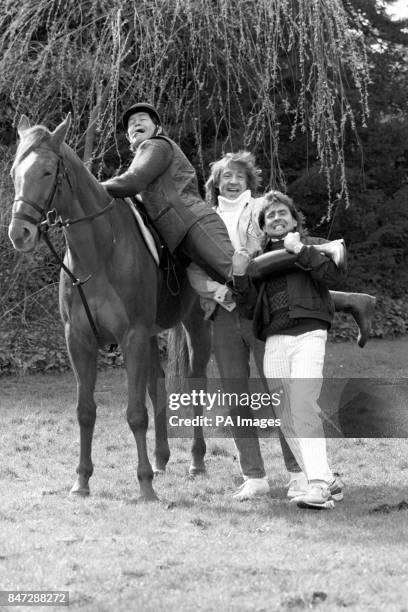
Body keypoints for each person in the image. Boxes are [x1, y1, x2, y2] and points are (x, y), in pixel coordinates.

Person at [232, 190, 347, 509]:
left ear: (295, 219)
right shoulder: (258, 262)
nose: (277, 218)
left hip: (309, 333)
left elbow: (334, 273)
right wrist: (240, 275)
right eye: (270, 216)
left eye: (283, 213)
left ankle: (319, 487)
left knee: (302, 405)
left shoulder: (311, 245)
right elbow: (247, 307)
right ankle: (326, 479)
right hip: (274, 341)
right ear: (264, 227)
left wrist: (302, 252)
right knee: (285, 415)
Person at [101, 102, 234, 283]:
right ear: (128, 136)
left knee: (239, 273)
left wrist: (94, 188)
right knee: (235, 285)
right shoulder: (144, 157)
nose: (136, 124)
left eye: (142, 119)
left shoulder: (156, 145)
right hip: (181, 235)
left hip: (193, 221)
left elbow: (132, 181)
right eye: (132, 123)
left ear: (158, 128)